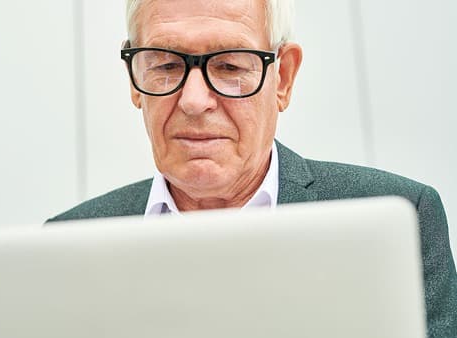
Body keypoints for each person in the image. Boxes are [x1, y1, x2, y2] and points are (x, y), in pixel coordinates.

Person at [47, 0, 456, 336]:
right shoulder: (64, 248)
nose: (193, 101)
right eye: (166, 65)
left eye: (229, 67)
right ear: (135, 82)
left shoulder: (399, 218)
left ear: (283, 79)